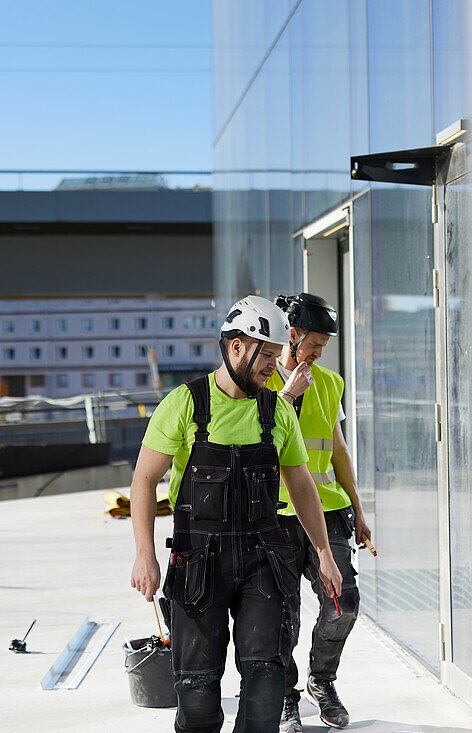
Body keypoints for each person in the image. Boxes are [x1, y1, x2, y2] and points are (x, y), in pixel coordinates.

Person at [130, 294, 343, 733]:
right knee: (197, 689)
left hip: (263, 561)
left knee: (266, 685)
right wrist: (144, 554)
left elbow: (301, 486)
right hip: (198, 563)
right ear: (236, 347)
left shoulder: (277, 409)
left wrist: (323, 552)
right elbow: (144, 481)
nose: (273, 364)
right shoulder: (185, 404)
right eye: (266, 355)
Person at [266, 293, 372, 732]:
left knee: (343, 603)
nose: (318, 353)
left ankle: (321, 680)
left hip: (327, 513)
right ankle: (285, 696)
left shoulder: (330, 383)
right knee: (279, 613)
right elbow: (257, 443)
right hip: (274, 516)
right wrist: (288, 396)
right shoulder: (260, 382)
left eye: (324, 347)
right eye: (313, 344)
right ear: (291, 336)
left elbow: (339, 449)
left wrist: (359, 510)